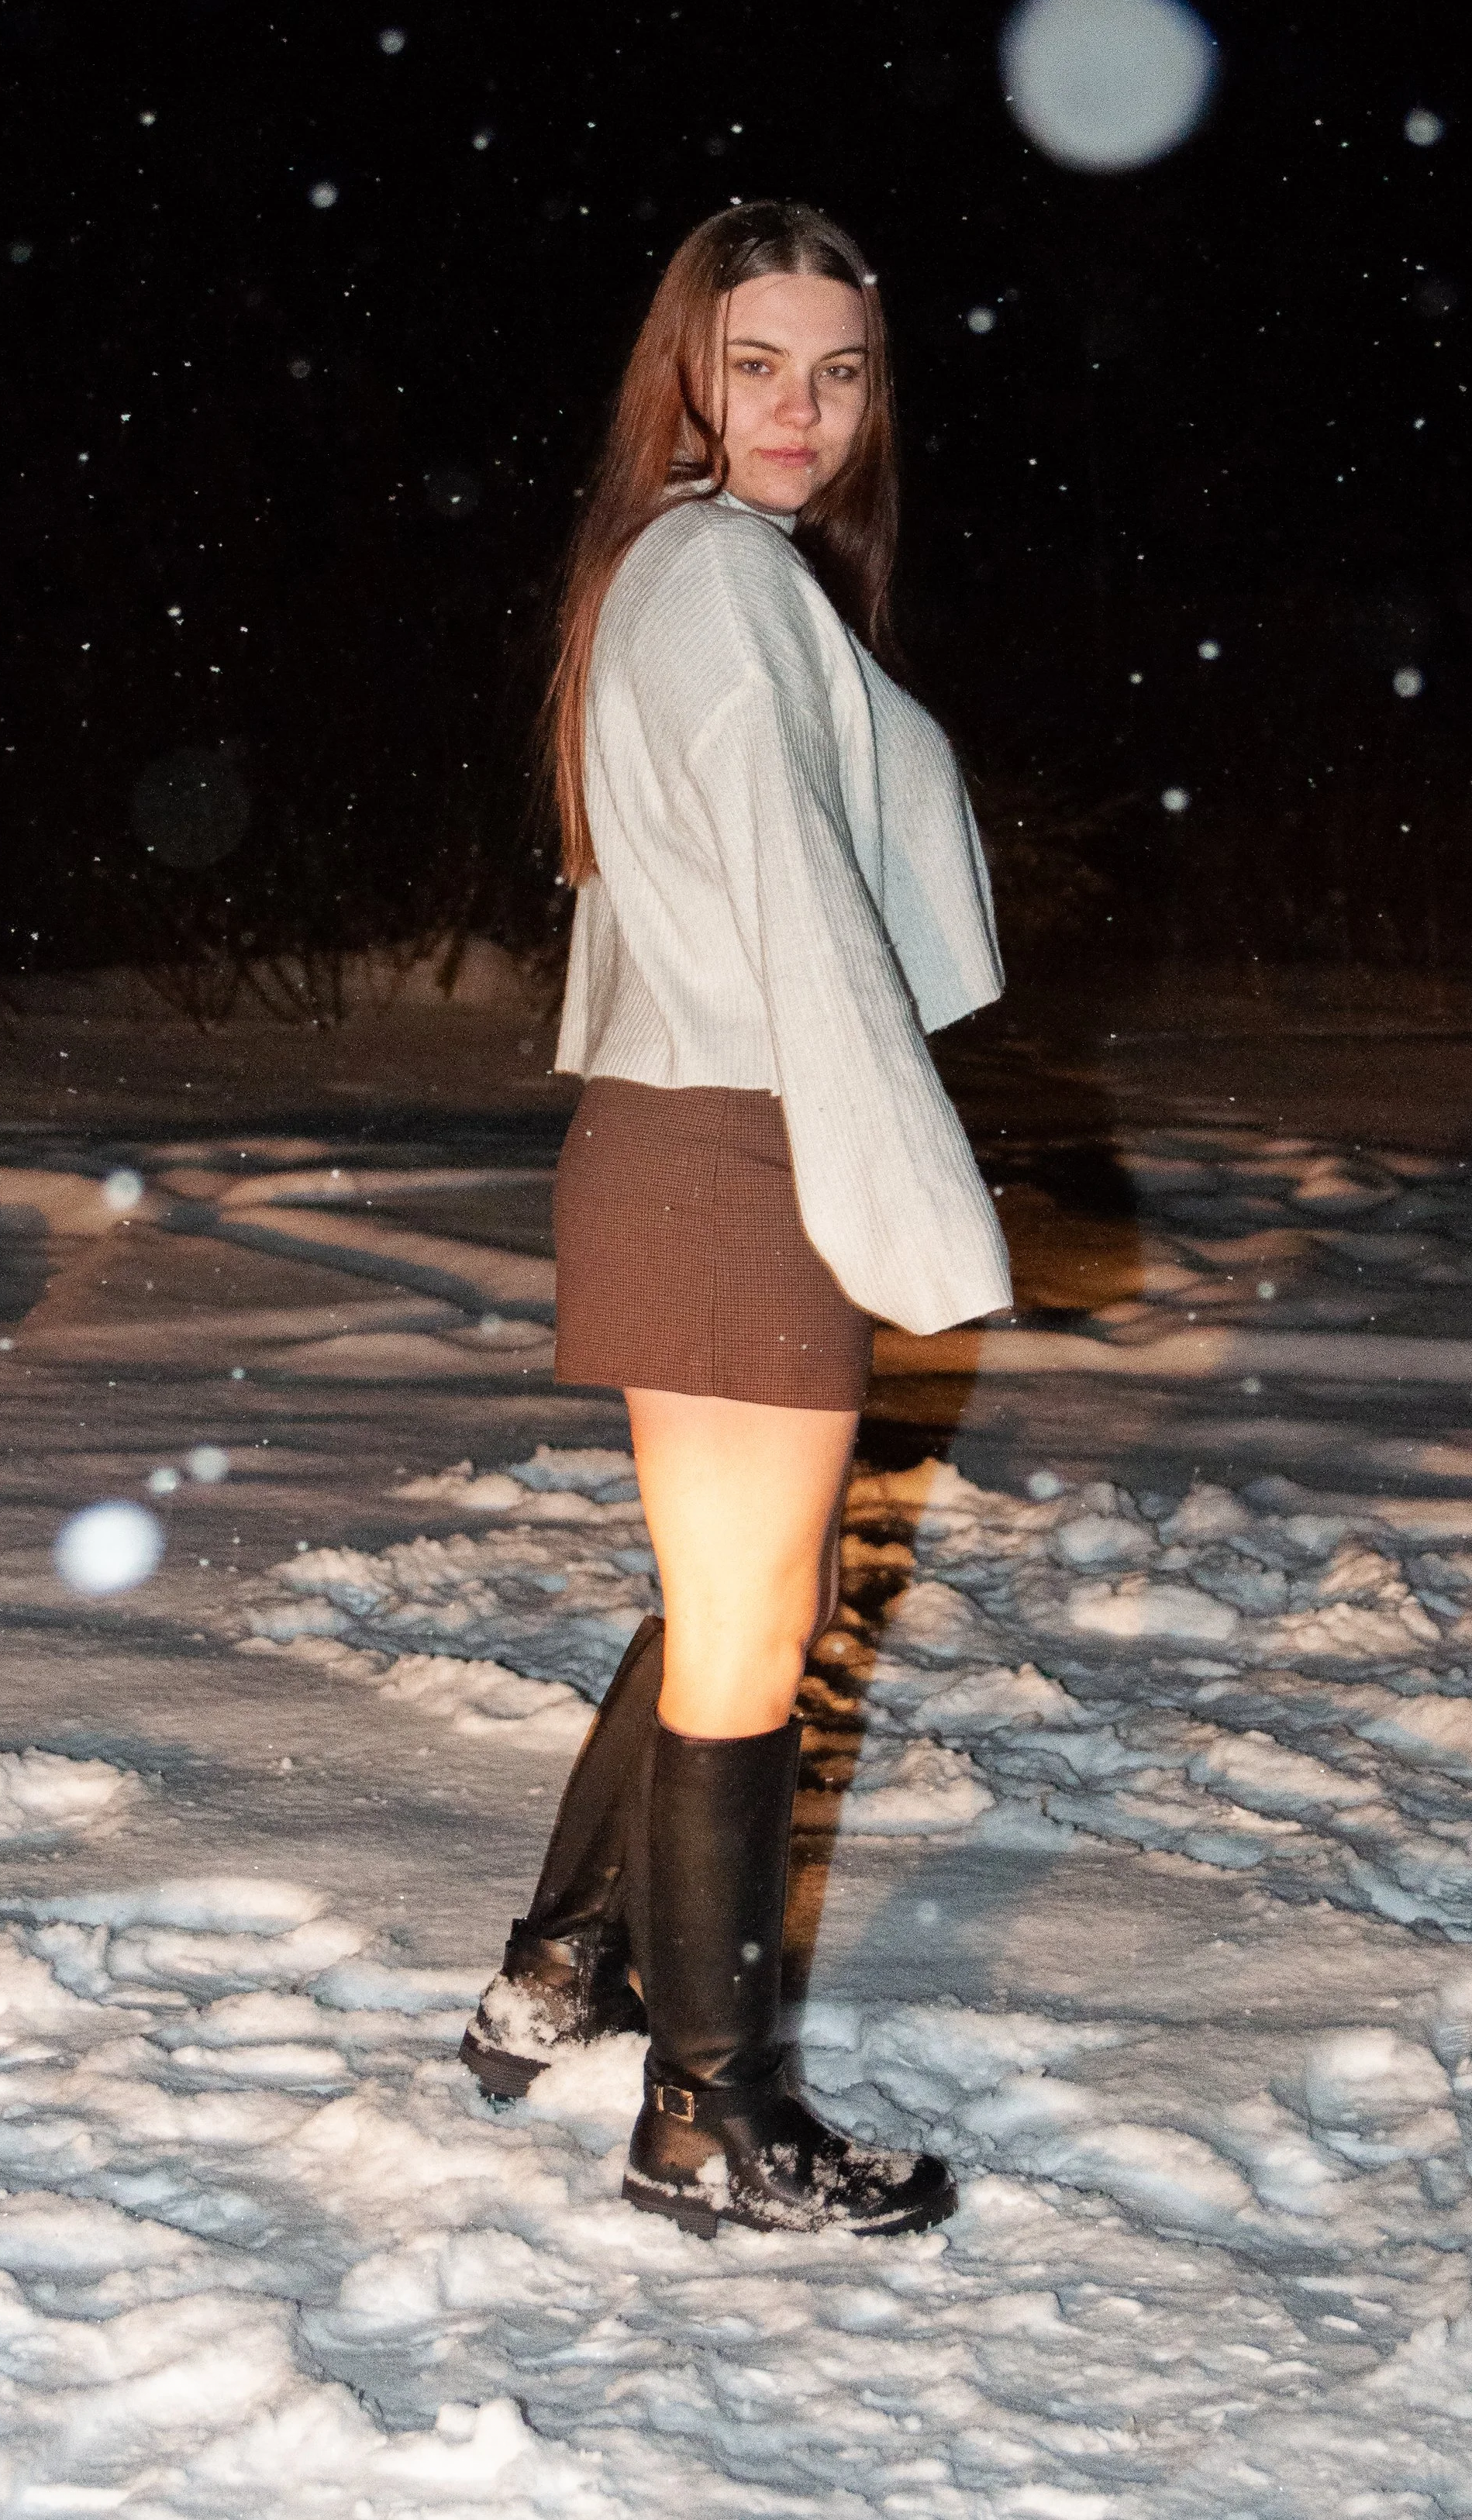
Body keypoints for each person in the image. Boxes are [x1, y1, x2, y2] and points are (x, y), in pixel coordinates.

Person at [461, 200, 1012, 2238]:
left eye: (840, 372)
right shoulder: (722, 577)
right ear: (684, 375)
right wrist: (909, 1197)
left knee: (725, 1602)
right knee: (753, 1636)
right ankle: (713, 2114)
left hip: (679, 1135)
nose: (802, 409)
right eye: (756, 364)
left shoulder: (683, 569)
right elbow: (805, 925)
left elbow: (668, 915)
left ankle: (563, 1970)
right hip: (740, 1151)